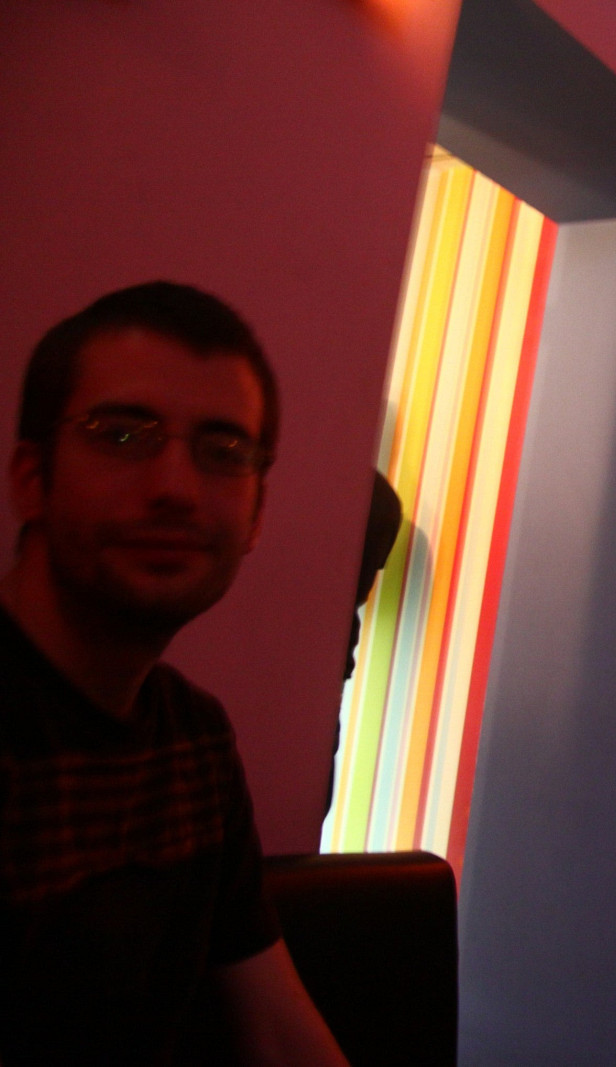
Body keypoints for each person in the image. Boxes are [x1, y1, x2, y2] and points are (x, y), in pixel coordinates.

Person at [0, 282, 347, 1064]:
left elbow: (278, 1032)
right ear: (30, 477)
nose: (175, 489)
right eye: (121, 435)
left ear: (255, 515)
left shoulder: (193, 741)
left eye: (223, 452)